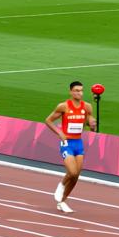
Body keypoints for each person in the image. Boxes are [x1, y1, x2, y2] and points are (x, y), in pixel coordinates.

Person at [43, 80, 97, 214]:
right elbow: (48, 120)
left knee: (76, 175)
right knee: (72, 172)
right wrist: (59, 133)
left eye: (81, 90)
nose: (80, 93)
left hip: (78, 142)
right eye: (77, 90)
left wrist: (92, 124)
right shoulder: (63, 106)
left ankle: (62, 201)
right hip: (66, 142)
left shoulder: (87, 107)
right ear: (71, 92)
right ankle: (61, 185)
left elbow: (89, 122)